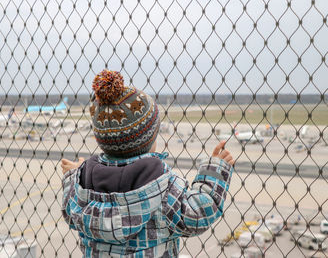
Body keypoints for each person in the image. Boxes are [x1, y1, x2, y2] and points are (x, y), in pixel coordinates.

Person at [61, 69, 235, 258]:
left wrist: (74, 174)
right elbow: (200, 213)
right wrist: (215, 170)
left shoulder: (82, 187)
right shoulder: (163, 189)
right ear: (150, 140)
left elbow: (70, 206)